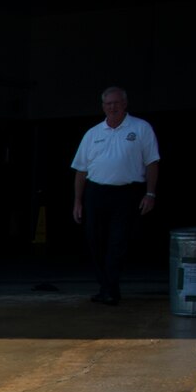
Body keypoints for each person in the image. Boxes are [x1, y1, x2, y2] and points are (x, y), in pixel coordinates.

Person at [71, 86, 160, 306]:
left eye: (116, 103)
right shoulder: (92, 134)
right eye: (108, 104)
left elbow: (152, 162)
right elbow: (81, 170)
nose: (112, 107)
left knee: (118, 242)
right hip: (96, 192)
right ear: (103, 106)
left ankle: (109, 289)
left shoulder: (141, 128)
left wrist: (150, 193)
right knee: (96, 241)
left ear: (124, 104)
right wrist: (77, 201)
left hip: (127, 193)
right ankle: (107, 287)